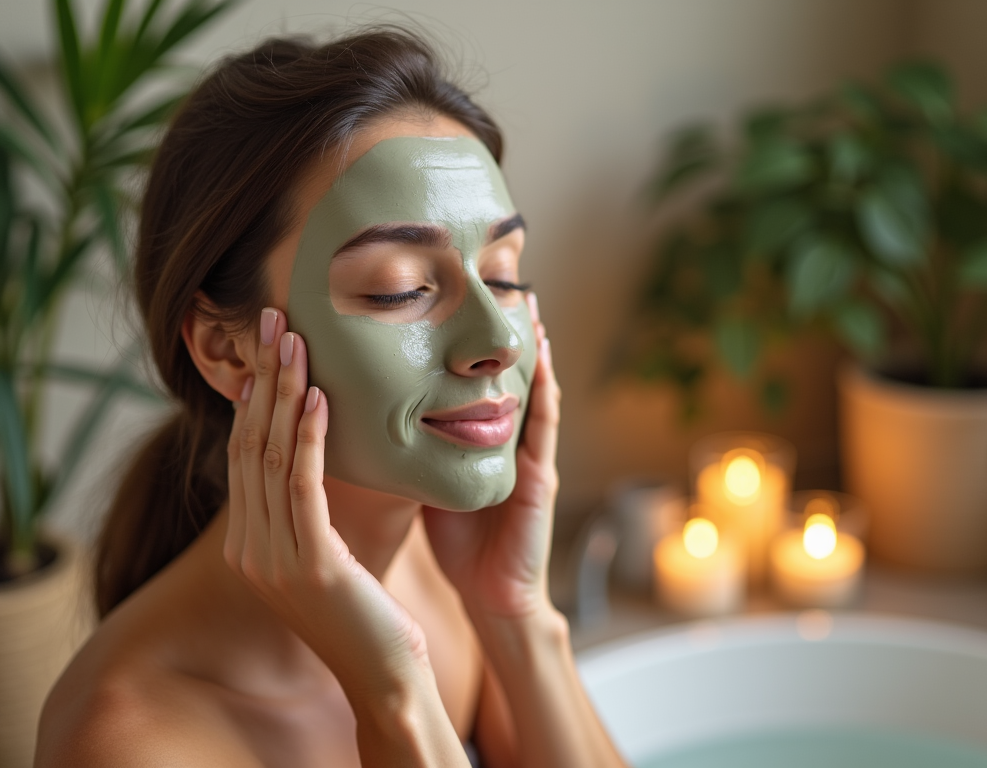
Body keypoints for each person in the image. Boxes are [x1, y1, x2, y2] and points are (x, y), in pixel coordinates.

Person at [35, 27, 629, 768]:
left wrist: (517, 617)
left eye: (504, 274)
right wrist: (394, 696)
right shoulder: (132, 738)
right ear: (227, 349)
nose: (502, 342)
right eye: (401, 288)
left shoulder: (443, 570)